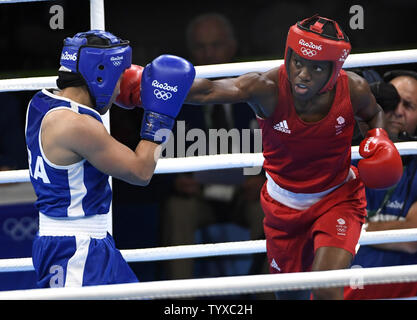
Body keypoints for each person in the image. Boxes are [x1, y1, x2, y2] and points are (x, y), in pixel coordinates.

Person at [183, 15, 404, 299]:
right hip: (283, 206)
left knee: (326, 286)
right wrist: (151, 87)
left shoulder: (354, 89)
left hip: (337, 198)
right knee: (288, 295)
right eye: (297, 62)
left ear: (334, 70)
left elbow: (374, 114)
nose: (302, 73)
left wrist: (379, 138)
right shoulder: (267, 88)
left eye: (315, 67)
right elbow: (212, 90)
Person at [25, 30, 195, 287]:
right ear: (101, 73)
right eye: (118, 78)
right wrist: (160, 117)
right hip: (75, 250)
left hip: (88, 242)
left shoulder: (40, 103)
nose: (120, 89)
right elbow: (141, 171)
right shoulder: (77, 125)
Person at [159, 13, 267, 283]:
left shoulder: (257, 91)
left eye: (216, 45)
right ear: (190, 53)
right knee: (177, 209)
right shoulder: (174, 97)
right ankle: (180, 299)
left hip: (247, 197)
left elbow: (279, 146)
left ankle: (268, 292)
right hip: (197, 198)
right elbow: (153, 153)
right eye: (200, 47)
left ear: (231, 47)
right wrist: (176, 180)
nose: (209, 53)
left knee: (270, 206)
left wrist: (264, 178)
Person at [344, 70, 417, 300]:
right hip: (349, 290)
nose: (397, 111)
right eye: (390, 102)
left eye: (408, 105)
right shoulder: (349, 157)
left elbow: (411, 238)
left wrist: (360, 230)